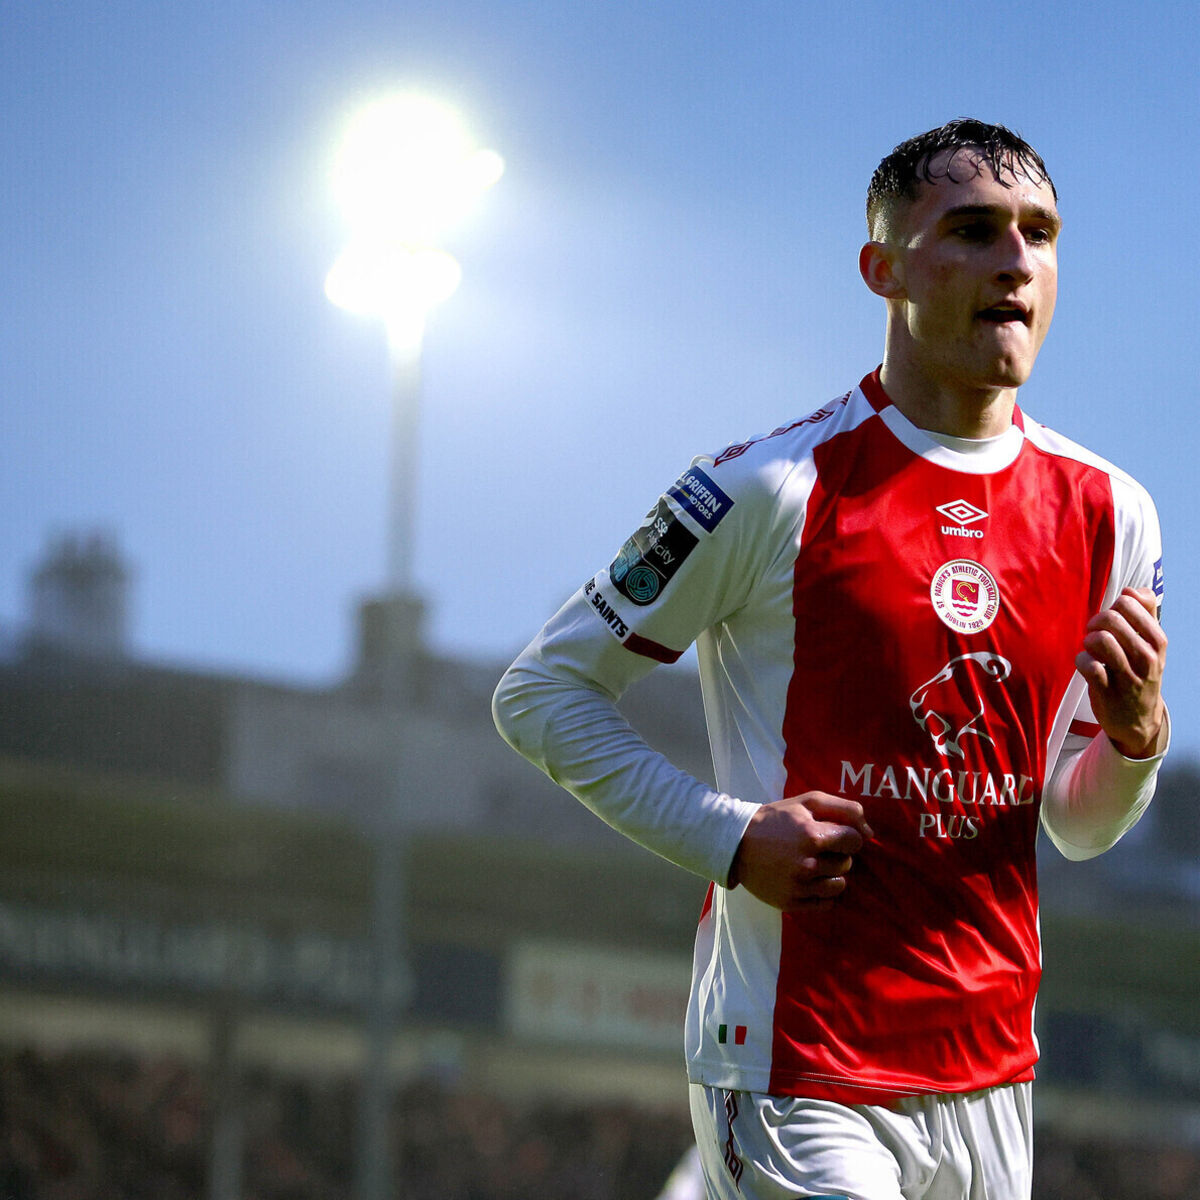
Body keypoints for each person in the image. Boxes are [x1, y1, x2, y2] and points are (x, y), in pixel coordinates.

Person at [492, 119, 1168, 1200]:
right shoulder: (762, 490)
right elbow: (542, 694)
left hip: (992, 1076)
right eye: (974, 230)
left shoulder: (1111, 513)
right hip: (797, 1063)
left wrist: (1134, 745)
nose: (1014, 261)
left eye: (1039, 234)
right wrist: (731, 837)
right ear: (882, 269)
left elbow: (1076, 827)